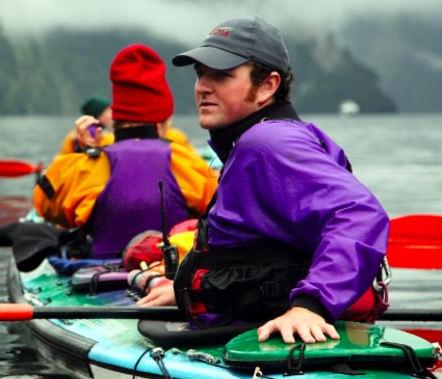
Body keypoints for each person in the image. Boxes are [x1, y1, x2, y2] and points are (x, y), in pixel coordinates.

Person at [136, 16, 390, 345]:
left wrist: (310, 306)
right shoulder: (267, 138)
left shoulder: (269, 143)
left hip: (271, 333)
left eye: (222, 75)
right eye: (201, 75)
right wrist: (189, 283)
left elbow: (360, 213)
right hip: (244, 318)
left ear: (268, 86)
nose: (202, 87)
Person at [32, 43, 218, 259]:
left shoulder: (85, 166)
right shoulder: (188, 162)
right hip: (167, 272)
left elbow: (43, 206)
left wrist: (86, 153)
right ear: (162, 120)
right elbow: (219, 211)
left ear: (116, 119)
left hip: (99, 272)